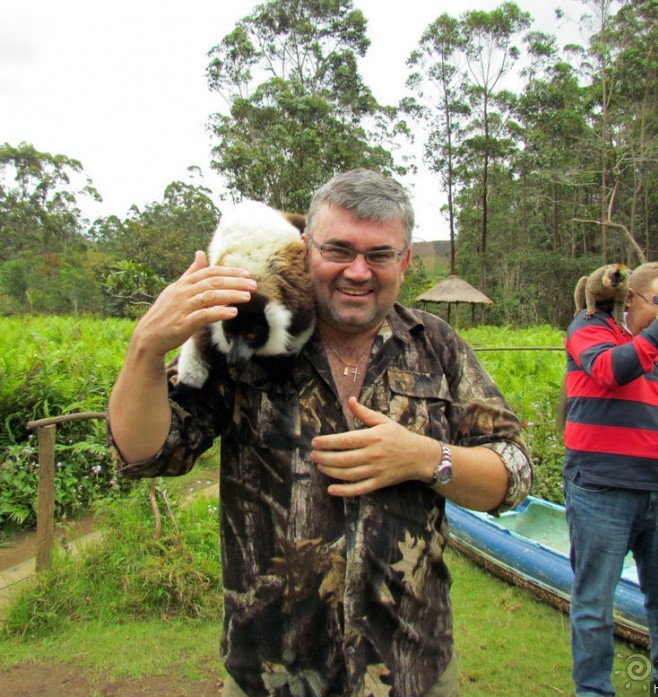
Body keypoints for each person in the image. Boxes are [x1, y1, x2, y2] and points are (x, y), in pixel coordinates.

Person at [107, 169, 533, 697]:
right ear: (305, 249)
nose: (358, 271)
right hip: (268, 677)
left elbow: (512, 474)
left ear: (403, 262)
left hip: (412, 673)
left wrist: (428, 458)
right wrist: (146, 347)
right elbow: (148, 454)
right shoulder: (250, 333)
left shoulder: (437, 346)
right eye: (339, 250)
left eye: (379, 254)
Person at [562, 261, 658, 696]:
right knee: (594, 605)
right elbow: (612, 371)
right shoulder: (590, 327)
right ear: (631, 297)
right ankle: (593, 690)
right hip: (601, 486)